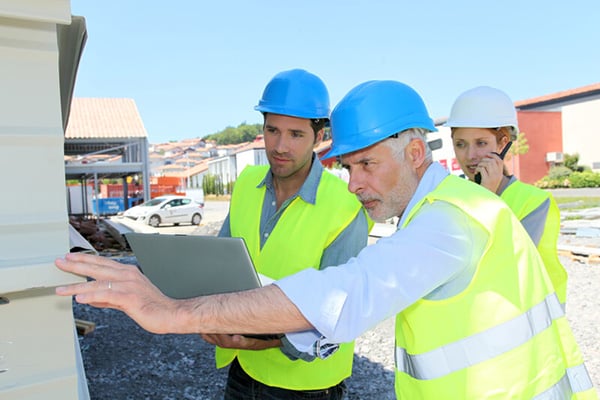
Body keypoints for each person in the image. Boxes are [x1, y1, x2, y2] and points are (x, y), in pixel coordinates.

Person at [55, 80, 596, 399]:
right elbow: (335, 291)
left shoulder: (453, 219)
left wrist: (174, 314)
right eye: (347, 166)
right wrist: (196, 301)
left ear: (414, 154)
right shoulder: (434, 210)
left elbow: (351, 290)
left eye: (365, 165)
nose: (354, 182)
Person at [203, 68, 371, 399]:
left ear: (319, 137)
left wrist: (259, 339)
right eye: (272, 130)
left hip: (306, 387)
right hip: (243, 371)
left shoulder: (346, 207)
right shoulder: (247, 186)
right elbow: (219, 267)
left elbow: (337, 315)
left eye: (295, 134)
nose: (280, 146)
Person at [445, 86, 569, 306]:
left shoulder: (534, 202)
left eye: (481, 143)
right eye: (460, 144)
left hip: (527, 327)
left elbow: (502, 269)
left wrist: (486, 198)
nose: (470, 155)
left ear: (503, 143)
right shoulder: (450, 199)